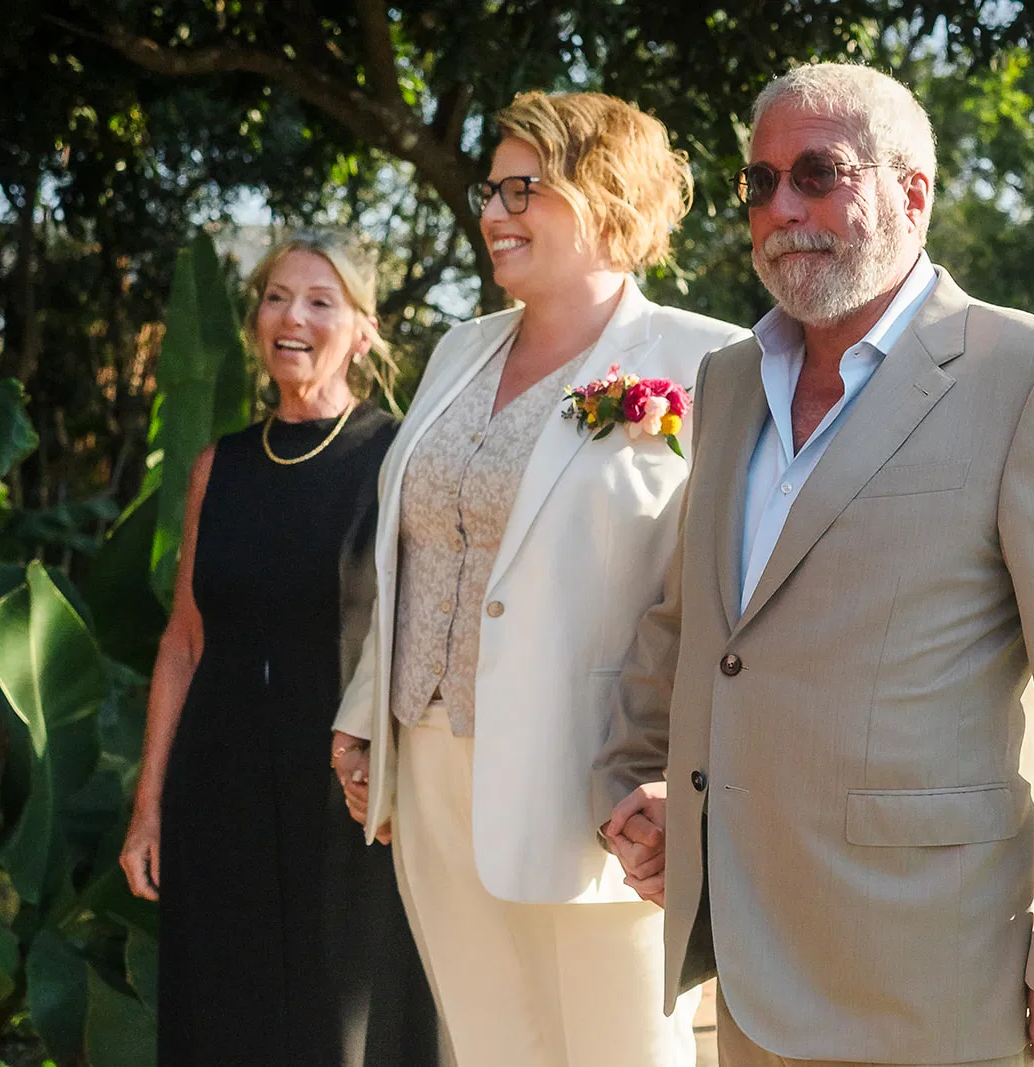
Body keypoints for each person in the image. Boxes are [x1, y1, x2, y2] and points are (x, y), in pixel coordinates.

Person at [593, 62, 1034, 1067]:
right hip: (745, 956)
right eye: (760, 182)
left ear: (910, 190)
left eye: (818, 173)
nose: (784, 207)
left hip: (935, 971)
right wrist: (639, 778)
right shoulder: (731, 381)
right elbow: (700, 622)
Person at [331, 91, 749, 1067]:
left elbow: (729, 590)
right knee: (489, 1043)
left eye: (526, 187)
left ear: (607, 198)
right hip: (428, 759)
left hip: (594, 772)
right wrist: (365, 713)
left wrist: (678, 769)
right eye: (489, 188)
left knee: (615, 1049)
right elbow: (414, 548)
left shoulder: (709, 360)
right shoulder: (457, 350)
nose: (492, 211)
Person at [119, 232, 438, 1067]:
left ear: (363, 331)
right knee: (224, 1017)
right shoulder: (216, 466)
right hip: (216, 790)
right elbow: (184, 641)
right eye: (275, 297)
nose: (291, 317)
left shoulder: (398, 457)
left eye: (320, 301)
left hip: (345, 792)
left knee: (343, 1022)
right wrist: (149, 805)